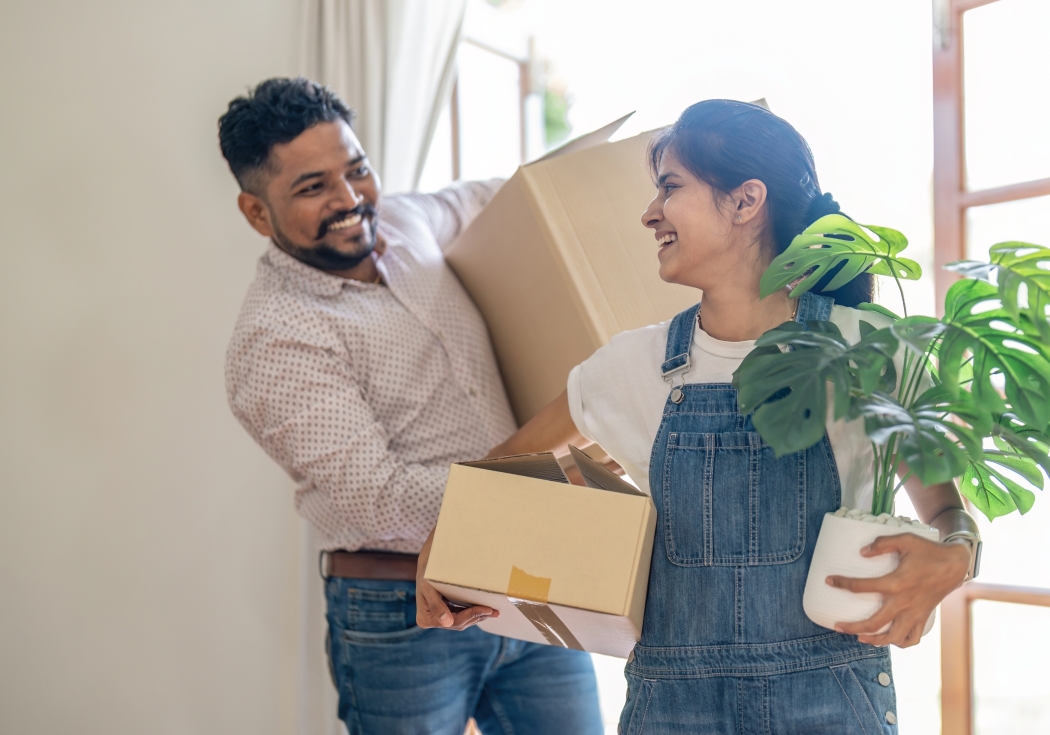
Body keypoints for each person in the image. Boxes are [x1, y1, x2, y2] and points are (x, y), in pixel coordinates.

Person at [415, 99, 982, 733]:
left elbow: (945, 509)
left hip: (830, 703)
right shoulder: (632, 366)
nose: (649, 213)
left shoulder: (869, 348)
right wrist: (443, 545)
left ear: (745, 202)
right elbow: (499, 472)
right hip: (672, 710)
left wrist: (957, 553)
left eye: (670, 187)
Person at [220, 77, 603, 735]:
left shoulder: (403, 219)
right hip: (400, 610)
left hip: (529, 574)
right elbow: (382, 498)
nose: (350, 200)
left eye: (357, 170)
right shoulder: (276, 338)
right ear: (257, 213)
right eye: (313, 188)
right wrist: (548, 485)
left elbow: (517, 196)